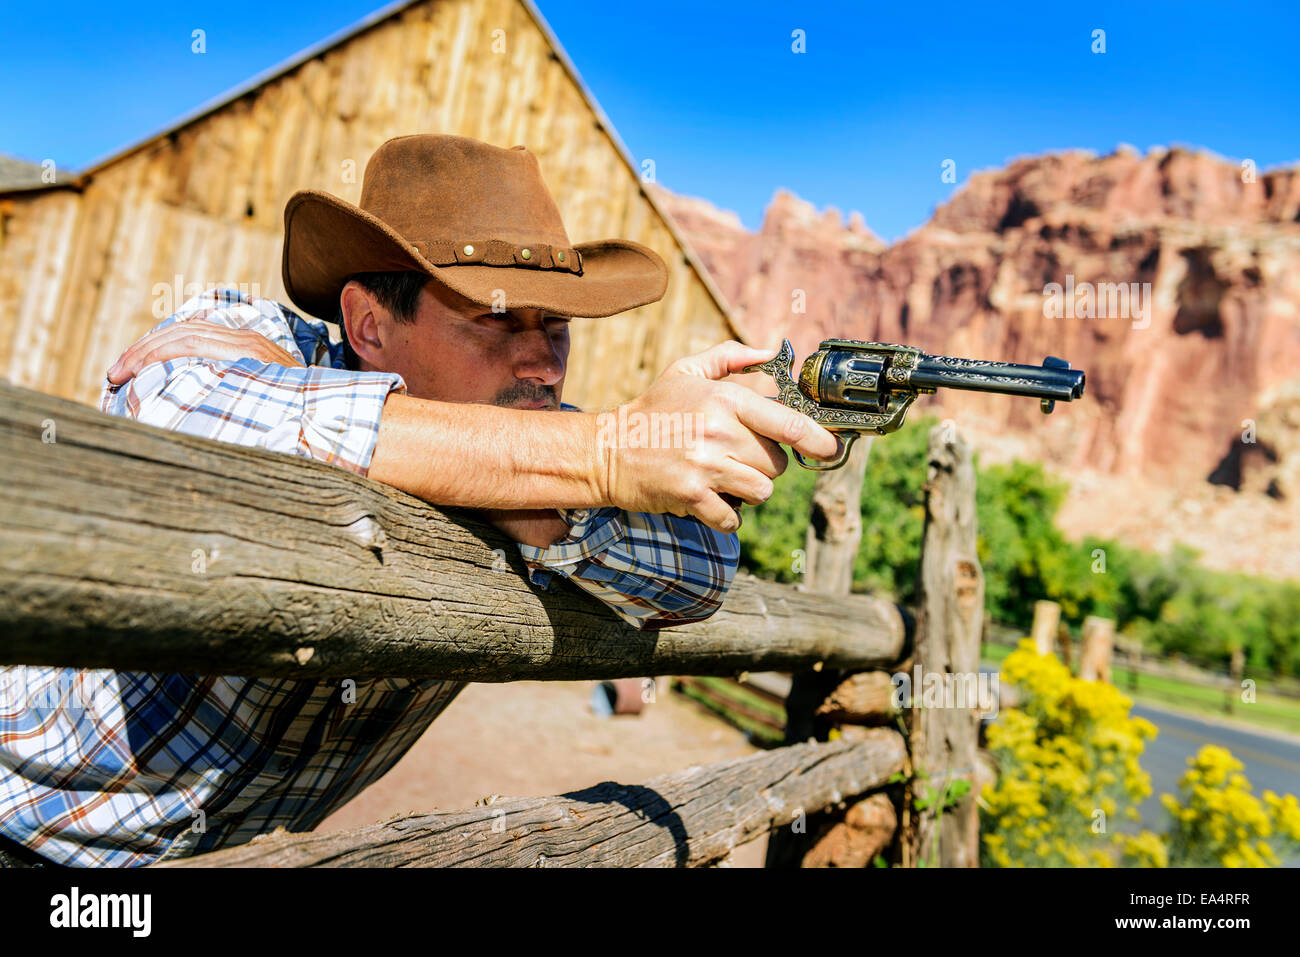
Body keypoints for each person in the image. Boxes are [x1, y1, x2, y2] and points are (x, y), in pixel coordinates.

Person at [0, 134, 838, 867]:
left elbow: (698, 569)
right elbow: (172, 410)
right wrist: (602, 459)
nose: (545, 362)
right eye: (499, 321)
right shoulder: (243, 337)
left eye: (559, 327)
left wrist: (527, 474)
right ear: (366, 327)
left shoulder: (546, 437)